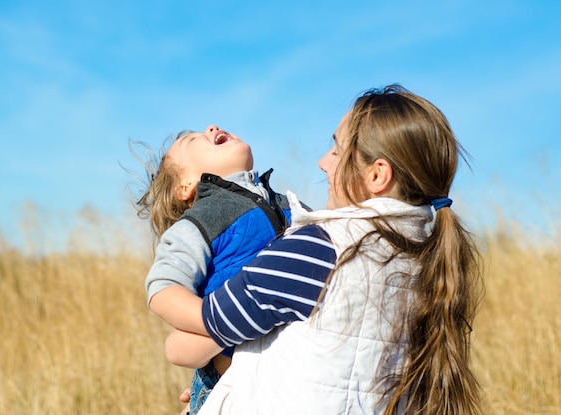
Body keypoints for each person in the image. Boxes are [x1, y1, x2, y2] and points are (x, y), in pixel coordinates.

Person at [162, 85, 484, 414]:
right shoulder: (429, 261)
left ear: (377, 174)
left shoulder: (319, 249)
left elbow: (184, 344)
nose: (322, 163)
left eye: (335, 150)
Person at [137, 125, 300, 414]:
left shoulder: (290, 205)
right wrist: (219, 323)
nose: (211, 127)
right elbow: (163, 288)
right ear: (185, 186)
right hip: (230, 386)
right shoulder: (199, 221)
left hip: (287, 379)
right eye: (192, 140)